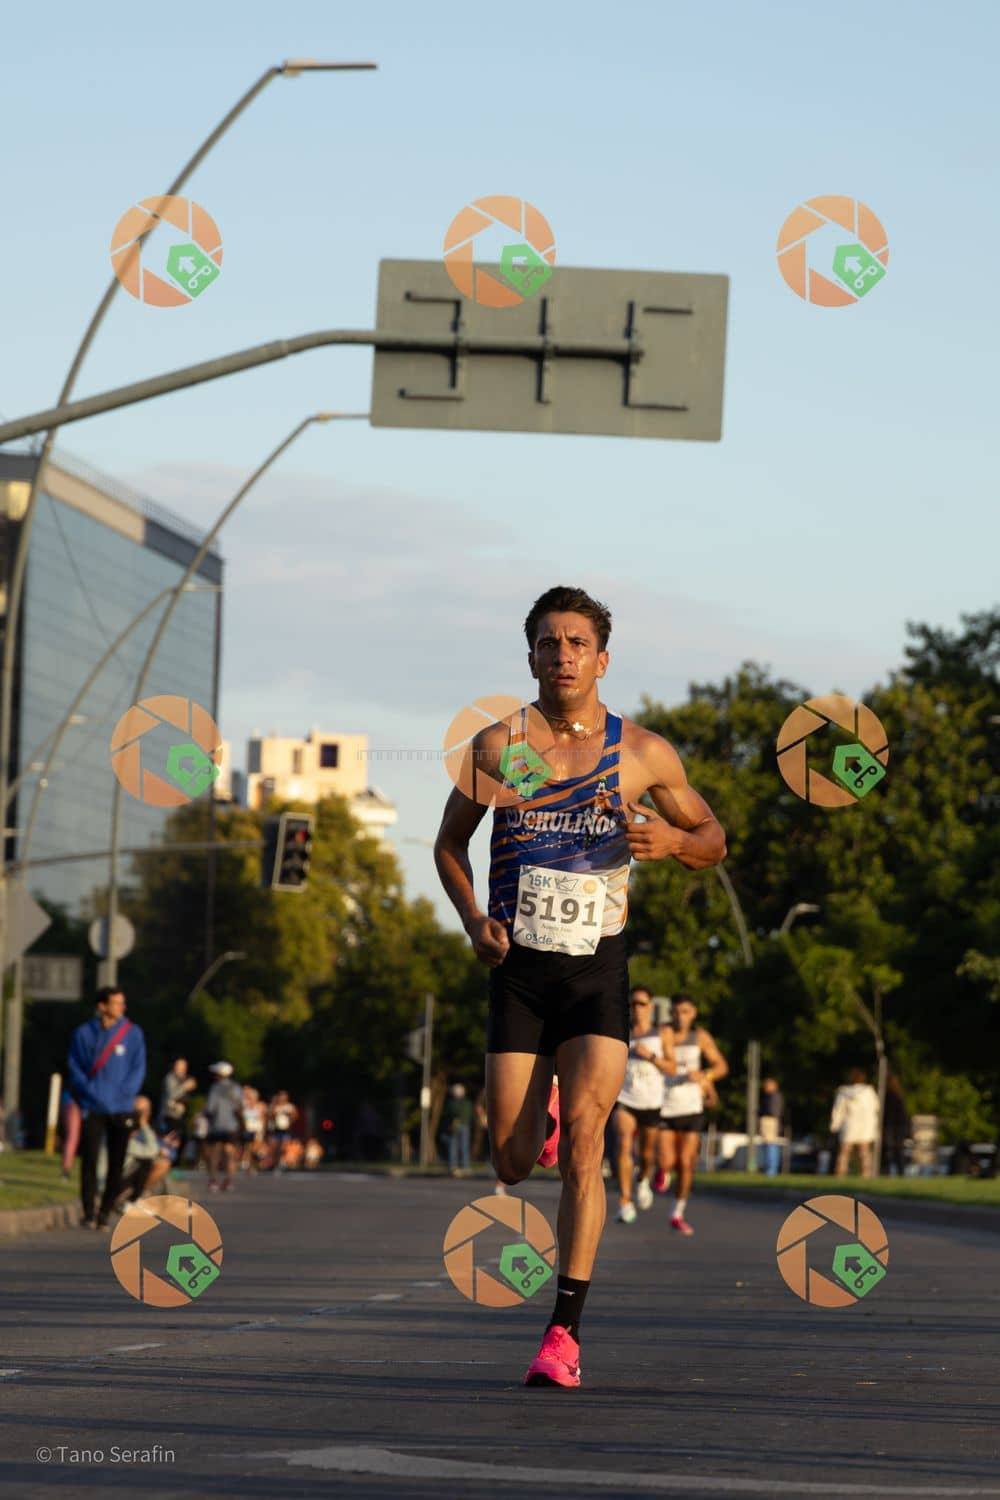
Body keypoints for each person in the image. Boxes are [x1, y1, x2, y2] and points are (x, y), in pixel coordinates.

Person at [434, 585, 726, 1387]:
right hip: (519, 972)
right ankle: (542, 1116)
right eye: (548, 643)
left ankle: (562, 1333)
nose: (562, 655)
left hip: (597, 970)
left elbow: (712, 836)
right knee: (511, 1161)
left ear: (602, 660)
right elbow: (450, 846)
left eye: (576, 644)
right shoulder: (499, 746)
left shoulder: (643, 753)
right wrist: (472, 921)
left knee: (587, 1151)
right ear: (530, 657)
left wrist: (674, 841)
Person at [67, 985, 147, 1230]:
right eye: (116, 1003)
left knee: (116, 1161)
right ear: (102, 1006)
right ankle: (88, 1212)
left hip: (121, 1107)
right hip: (92, 1105)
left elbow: (138, 1068)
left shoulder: (133, 1034)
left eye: (122, 1003)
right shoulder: (84, 1033)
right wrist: (88, 1091)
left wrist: (126, 1095)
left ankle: (104, 1212)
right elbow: (75, 1065)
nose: (122, 1007)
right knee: (89, 1159)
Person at [655, 996, 727, 1235]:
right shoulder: (662, 1034)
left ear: (693, 1013)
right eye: (676, 1012)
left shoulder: (700, 1037)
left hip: (692, 1108)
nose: (680, 1016)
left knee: (686, 1163)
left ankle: (677, 1213)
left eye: (685, 1011)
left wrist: (705, 1076)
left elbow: (721, 1066)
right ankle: (661, 1171)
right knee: (667, 1160)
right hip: (664, 1105)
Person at [614, 987, 663, 1223]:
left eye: (642, 1004)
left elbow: (673, 1067)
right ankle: (625, 1201)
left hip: (651, 1102)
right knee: (624, 1144)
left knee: (647, 1154)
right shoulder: (621, 1032)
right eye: (633, 1004)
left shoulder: (661, 1034)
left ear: (651, 1007)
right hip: (625, 1098)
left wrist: (651, 1057)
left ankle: (643, 1179)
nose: (637, 1008)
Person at [115, 1096, 177, 1206]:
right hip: (115, 1177)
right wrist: (143, 1123)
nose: (143, 1114)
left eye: (145, 1111)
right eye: (139, 1111)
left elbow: (171, 1154)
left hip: (127, 1173)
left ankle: (138, 1197)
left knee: (161, 1162)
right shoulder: (127, 1129)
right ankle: (132, 1199)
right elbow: (152, 1149)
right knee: (148, 1161)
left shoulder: (146, 1130)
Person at [831, 1067, 880, 1177]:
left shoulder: (843, 1092)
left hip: (849, 1124)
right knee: (864, 1151)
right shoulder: (868, 1092)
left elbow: (838, 1110)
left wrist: (835, 1125)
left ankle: (840, 1172)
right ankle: (866, 1173)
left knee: (844, 1151)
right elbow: (876, 1107)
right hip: (865, 1125)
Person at [203, 1061, 243, 1191]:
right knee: (230, 1152)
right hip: (232, 1125)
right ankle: (229, 1181)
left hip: (217, 1125)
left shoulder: (215, 1088)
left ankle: (213, 1180)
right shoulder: (236, 1088)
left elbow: (210, 1108)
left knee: (215, 1152)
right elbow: (239, 1108)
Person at [158, 1057, 197, 1151]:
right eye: (178, 1066)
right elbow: (172, 1095)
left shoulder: (185, 1078)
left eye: (183, 1066)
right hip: (169, 1116)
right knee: (167, 1142)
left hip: (181, 1117)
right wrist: (185, 1087)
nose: (180, 1069)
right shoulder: (170, 1078)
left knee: (179, 1142)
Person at [881, 1073, 910, 1176]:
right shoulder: (899, 1096)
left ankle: (886, 1172)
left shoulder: (887, 1097)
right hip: (899, 1127)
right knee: (898, 1151)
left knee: (887, 1151)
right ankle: (901, 1172)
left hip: (890, 1127)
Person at [444, 1083, 473, 1175]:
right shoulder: (467, 1103)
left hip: (455, 1126)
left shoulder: (451, 1103)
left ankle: (453, 1166)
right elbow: (470, 1114)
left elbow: (448, 1114)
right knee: (464, 1147)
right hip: (465, 1125)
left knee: (453, 1147)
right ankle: (465, 1167)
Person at [759, 1076, 785, 1177]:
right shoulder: (768, 1096)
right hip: (769, 1120)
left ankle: (772, 1170)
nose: (765, 1087)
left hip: (770, 1121)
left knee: (771, 1145)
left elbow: (774, 1111)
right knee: (767, 1145)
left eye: (768, 1085)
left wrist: (762, 1113)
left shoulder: (775, 1096)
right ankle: (769, 1169)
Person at [266, 1090, 298, 1171]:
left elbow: (295, 1116)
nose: (282, 1098)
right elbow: (269, 1116)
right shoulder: (275, 1106)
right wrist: (274, 1112)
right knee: (274, 1148)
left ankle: (281, 1162)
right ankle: (274, 1163)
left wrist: (290, 1118)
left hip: (285, 1130)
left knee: (283, 1147)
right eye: (281, 1096)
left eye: (284, 1096)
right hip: (276, 1129)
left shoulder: (290, 1106)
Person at [241, 1085, 266, 1172]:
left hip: (257, 1129)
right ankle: (247, 1164)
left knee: (255, 1148)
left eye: (253, 1096)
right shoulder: (244, 1106)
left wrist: (262, 1131)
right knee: (247, 1146)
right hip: (247, 1129)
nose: (251, 1098)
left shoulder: (260, 1106)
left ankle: (255, 1163)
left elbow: (262, 1119)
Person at [60, 1084, 82, 1181]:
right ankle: (66, 1170)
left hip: (72, 1100)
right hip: (73, 1101)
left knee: (72, 1136)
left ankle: (66, 1169)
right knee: (72, 1136)